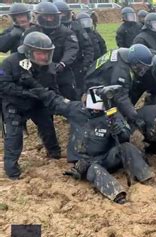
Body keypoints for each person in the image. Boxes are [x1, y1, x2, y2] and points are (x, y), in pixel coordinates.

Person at [30, 86, 154, 204]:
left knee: (127, 147)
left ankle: (145, 177)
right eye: (92, 109)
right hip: (86, 162)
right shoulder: (75, 109)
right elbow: (55, 101)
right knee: (94, 169)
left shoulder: (112, 115)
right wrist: (38, 91)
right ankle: (117, 194)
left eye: (98, 110)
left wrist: (119, 131)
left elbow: (124, 136)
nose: (95, 111)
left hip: (106, 157)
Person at [0, 32, 61, 179]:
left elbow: (53, 87)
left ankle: (55, 155)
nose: (44, 57)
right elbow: (3, 85)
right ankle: (12, 171)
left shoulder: (48, 67)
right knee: (14, 136)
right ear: (29, 51)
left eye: (47, 53)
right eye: (40, 54)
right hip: (14, 103)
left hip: (37, 104)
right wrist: (25, 93)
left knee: (47, 127)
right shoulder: (10, 63)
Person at [85, 44, 154, 129]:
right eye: (141, 67)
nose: (143, 70)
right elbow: (121, 97)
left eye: (145, 68)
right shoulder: (121, 71)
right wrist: (135, 118)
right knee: (117, 125)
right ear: (134, 62)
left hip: (98, 79)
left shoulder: (123, 54)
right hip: (94, 91)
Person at [23, 2, 80, 101]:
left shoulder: (66, 32)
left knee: (70, 97)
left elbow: (71, 49)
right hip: (38, 71)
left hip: (61, 70)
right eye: (46, 17)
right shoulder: (31, 32)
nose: (49, 19)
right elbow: (24, 51)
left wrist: (63, 63)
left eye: (52, 17)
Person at [54, 1, 94, 97]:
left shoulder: (76, 27)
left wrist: (86, 64)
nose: (63, 16)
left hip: (76, 66)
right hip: (55, 66)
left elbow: (88, 47)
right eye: (61, 14)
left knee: (77, 92)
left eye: (65, 13)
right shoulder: (49, 29)